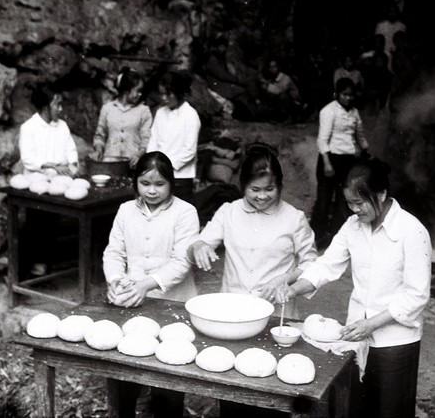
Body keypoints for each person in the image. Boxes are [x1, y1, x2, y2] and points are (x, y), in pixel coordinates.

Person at [279, 157, 432, 418]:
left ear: (381, 194)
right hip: (356, 334)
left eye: (359, 203)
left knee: (389, 410)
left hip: (395, 341)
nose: (354, 210)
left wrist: (371, 324)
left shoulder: (412, 231)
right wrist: (293, 289)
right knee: (356, 408)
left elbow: (417, 295)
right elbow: (327, 264)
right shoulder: (353, 226)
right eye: (349, 203)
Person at [102, 151, 199, 418]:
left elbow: (182, 261)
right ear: (136, 183)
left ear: (172, 183)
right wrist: (115, 280)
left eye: (160, 184)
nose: (152, 191)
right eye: (145, 184)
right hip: (132, 300)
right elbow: (113, 253)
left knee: (167, 373)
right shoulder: (125, 211)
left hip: (173, 303)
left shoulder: (185, 212)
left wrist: (147, 285)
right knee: (126, 369)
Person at [187, 142, 317, 320]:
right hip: (232, 308)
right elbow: (199, 244)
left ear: (280, 185)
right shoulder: (229, 211)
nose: (262, 196)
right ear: (242, 185)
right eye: (255, 190)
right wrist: (199, 246)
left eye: (269, 189)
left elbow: (311, 264)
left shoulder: (294, 218)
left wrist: (286, 278)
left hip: (276, 312)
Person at [18, 83, 79, 276]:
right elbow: (28, 159)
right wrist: (52, 166)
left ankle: (45, 268)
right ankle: (31, 269)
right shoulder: (28, 127)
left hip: (58, 183)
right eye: (57, 105)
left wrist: (72, 166)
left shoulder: (62, 127)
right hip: (37, 183)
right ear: (45, 106)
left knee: (52, 226)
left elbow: (71, 152)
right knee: (36, 226)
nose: (60, 109)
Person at [310, 77, 370, 248]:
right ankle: (316, 237)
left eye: (351, 95)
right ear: (337, 94)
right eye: (345, 95)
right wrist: (327, 164)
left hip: (348, 161)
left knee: (343, 199)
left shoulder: (354, 113)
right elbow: (322, 140)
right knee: (324, 199)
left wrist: (366, 150)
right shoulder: (328, 111)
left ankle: (336, 238)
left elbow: (359, 136)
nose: (348, 98)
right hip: (330, 159)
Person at [147, 71, 201, 204]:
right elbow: (153, 140)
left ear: (179, 92)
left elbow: (189, 151)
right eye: (162, 94)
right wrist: (152, 163)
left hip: (180, 178)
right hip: (158, 173)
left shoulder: (190, 116)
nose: (164, 98)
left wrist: (166, 166)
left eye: (168, 93)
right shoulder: (160, 113)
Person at [92, 67, 152, 168]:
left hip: (133, 164)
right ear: (127, 89)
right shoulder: (107, 108)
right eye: (137, 90)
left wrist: (139, 155)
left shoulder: (144, 111)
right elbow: (99, 135)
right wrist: (98, 150)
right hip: (110, 163)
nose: (140, 94)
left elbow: (147, 139)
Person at [257, 58, 302, 123]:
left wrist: (266, 84)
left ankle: (292, 116)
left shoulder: (285, 78)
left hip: (294, 104)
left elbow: (279, 90)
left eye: (274, 67)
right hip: (283, 104)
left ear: (278, 67)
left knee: (282, 96)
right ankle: (278, 116)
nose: (272, 69)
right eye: (270, 67)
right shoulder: (272, 79)